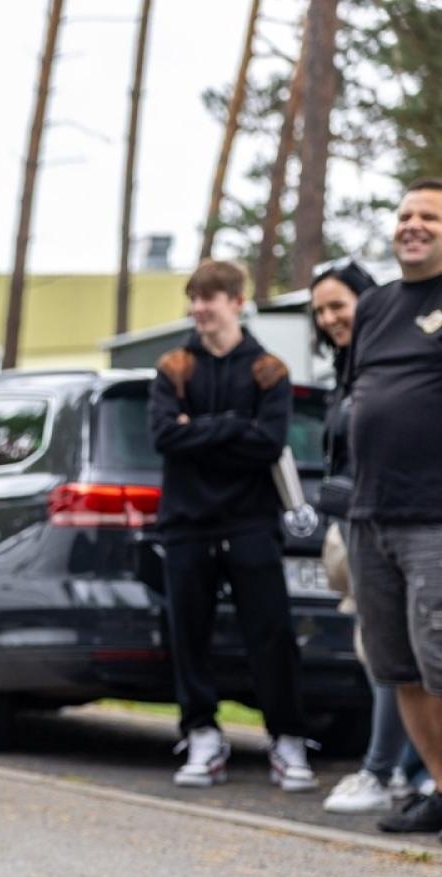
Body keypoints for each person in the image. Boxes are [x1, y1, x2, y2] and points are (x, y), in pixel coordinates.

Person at [148, 260, 316, 791]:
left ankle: (287, 739)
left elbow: (269, 443)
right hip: (185, 525)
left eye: (210, 298)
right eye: (194, 299)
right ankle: (201, 734)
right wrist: (232, 428)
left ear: (236, 302)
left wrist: (197, 427)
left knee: (271, 633)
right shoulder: (173, 366)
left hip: (250, 523)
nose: (199, 309)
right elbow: (163, 438)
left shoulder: (269, 369)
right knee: (189, 633)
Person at [345, 178, 442, 837]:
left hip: (434, 517)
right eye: (405, 214)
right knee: (398, 665)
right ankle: (439, 785)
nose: (412, 225)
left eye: (429, 216)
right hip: (368, 516)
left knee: (439, 661)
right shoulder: (374, 306)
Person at [310, 262, 424, 815]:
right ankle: (403, 770)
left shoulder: (407, 356)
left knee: (414, 654)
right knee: (382, 653)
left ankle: (387, 769)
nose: (331, 318)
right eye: (322, 311)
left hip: (410, 520)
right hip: (358, 524)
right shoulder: (348, 368)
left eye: (339, 305)